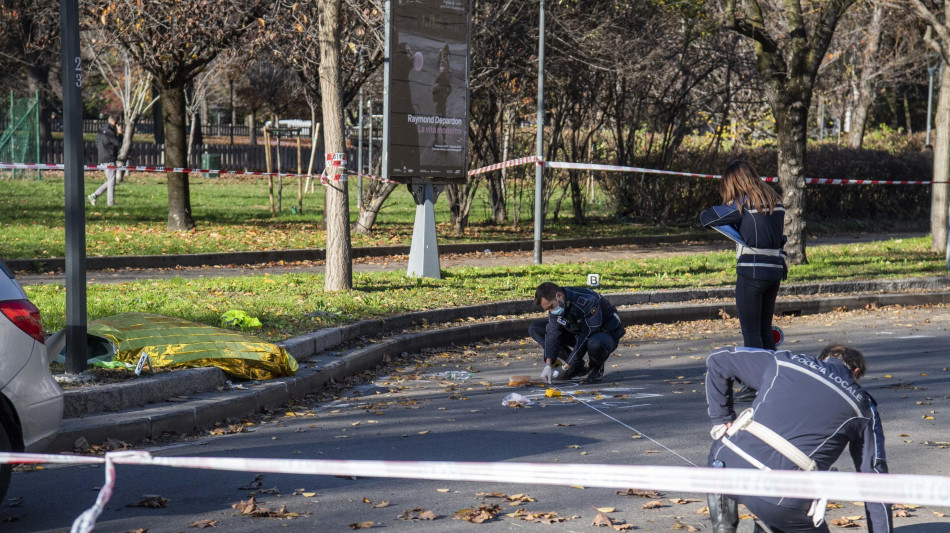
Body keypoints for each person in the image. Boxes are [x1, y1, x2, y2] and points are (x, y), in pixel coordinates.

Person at [704, 345, 892, 533]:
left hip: (727, 464)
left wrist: (722, 418)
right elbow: (874, 478)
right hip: (782, 495)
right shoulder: (863, 406)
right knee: (785, 515)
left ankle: (724, 526)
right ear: (855, 372)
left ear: (822, 358)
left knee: (725, 444)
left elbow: (718, 359)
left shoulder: (784, 361)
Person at [700, 160, 786, 401]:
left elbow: (707, 217)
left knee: (751, 330)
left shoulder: (744, 203)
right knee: (765, 328)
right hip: (774, 270)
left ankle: (754, 383)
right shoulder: (775, 201)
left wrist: (731, 211)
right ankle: (771, 379)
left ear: (735, 182)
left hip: (751, 271)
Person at [529, 282, 625, 384]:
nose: (551, 311)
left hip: (602, 334)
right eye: (547, 309)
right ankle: (577, 367)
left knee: (595, 343)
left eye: (551, 306)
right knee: (535, 329)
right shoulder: (558, 303)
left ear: (559, 296)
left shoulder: (588, 301)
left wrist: (566, 366)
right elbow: (552, 334)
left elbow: (587, 335)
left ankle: (596, 368)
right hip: (578, 332)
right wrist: (548, 364)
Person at [89, 115, 123, 207]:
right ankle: (110, 202)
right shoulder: (110, 132)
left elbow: (97, 143)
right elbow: (118, 143)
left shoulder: (101, 130)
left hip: (102, 157)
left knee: (110, 180)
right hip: (109, 158)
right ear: (115, 122)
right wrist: (120, 134)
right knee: (111, 182)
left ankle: (94, 195)